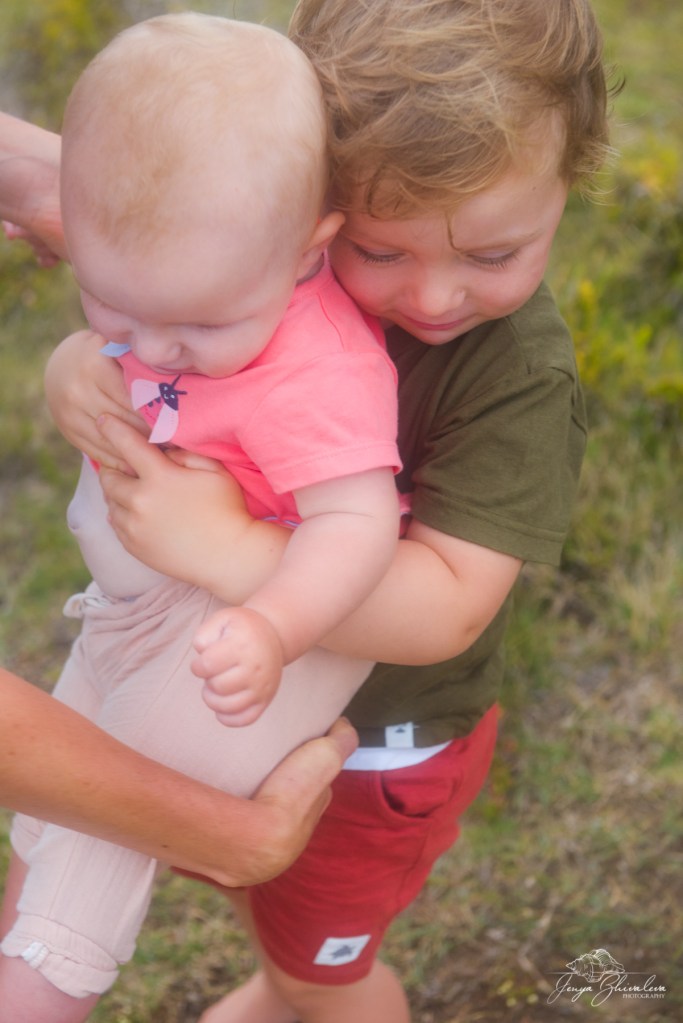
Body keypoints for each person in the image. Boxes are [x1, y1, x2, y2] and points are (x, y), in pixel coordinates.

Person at [3, 0, 617, 1020]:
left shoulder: (512, 377)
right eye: (380, 250)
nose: (433, 295)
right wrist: (79, 366)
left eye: (492, 254)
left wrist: (233, 551)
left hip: (371, 750)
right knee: (245, 901)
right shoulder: (268, 252)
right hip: (224, 687)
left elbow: (447, 606)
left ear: (570, 184)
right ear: (317, 207)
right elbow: (150, 308)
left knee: (316, 970)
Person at [0, 13, 401, 1020]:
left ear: (308, 252)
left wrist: (273, 625)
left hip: (236, 638)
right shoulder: (192, 269)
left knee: (89, 854)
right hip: (135, 610)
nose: (151, 349)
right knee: (56, 808)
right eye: (112, 305)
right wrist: (81, 362)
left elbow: (357, 523)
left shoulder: (319, 375)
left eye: (197, 324)